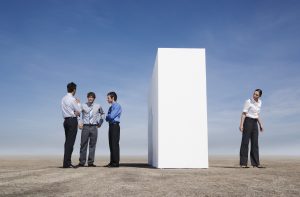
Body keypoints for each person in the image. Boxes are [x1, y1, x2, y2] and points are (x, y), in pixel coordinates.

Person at [77, 92, 104, 167]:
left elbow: (102, 114)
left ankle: (90, 162)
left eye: (92, 97)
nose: (90, 98)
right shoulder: (83, 105)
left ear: (94, 98)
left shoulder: (98, 106)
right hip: (85, 127)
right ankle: (82, 162)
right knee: (83, 144)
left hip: (94, 127)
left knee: (92, 145)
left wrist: (100, 122)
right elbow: (78, 113)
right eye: (89, 97)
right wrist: (79, 122)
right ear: (87, 98)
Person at [239, 89, 264, 168]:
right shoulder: (248, 101)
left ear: (259, 96)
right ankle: (243, 163)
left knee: (255, 143)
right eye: (254, 94)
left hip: (255, 123)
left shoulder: (260, 102)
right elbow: (243, 113)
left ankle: (255, 163)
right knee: (245, 142)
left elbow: (257, 114)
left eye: (257, 95)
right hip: (248, 121)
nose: (254, 95)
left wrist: (260, 124)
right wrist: (241, 124)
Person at [61, 82, 81, 168]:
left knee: (67, 142)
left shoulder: (63, 98)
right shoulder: (72, 99)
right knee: (70, 142)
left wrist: (73, 112)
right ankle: (67, 163)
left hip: (65, 121)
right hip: (72, 120)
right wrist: (78, 103)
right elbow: (79, 110)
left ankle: (66, 162)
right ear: (74, 90)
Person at [105, 91, 122, 168]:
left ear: (113, 98)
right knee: (111, 144)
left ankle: (115, 163)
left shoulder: (117, 106)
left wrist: (108, 116)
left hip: (115, 126)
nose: (107, 99)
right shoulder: (110, 107)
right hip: (111, 126)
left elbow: (111, 117)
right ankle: (112, 162)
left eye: (108, 98)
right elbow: (106, 118)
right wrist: (108, 116)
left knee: (115, 144)